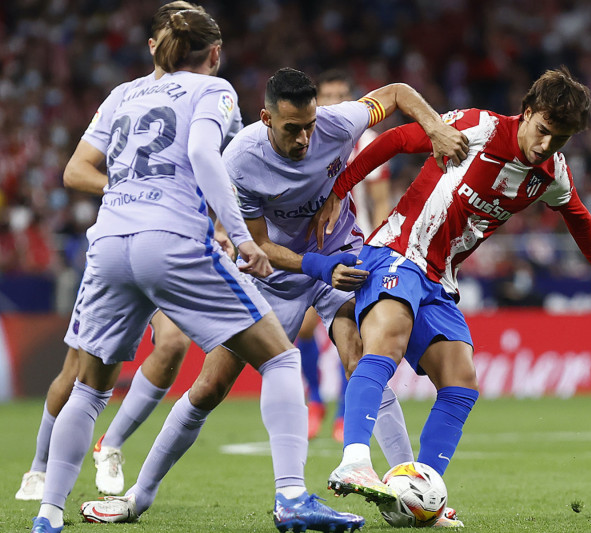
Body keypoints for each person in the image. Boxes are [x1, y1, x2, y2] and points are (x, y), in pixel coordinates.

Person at [77, 68, 469, 528]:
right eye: (291, 129)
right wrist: (318, 266)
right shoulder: (239, 160)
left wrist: (436, 125)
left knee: (361, 357)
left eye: (309, 126)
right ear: (265, 118)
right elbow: (258, 245)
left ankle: (412, 493)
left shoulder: (338, 122)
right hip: (276, 275)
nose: (305, 138)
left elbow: (398, 93)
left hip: (342, 258)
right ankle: (137, 498)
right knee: (210, 387)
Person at [30, 12, 364, 533]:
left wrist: (127, 192)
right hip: (171, 240)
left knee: (90, 389)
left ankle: (48, 514)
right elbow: (202, 154)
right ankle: (292, 497)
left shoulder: (121, 94)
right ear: (213, 52)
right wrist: (246, 239)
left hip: (110, 240)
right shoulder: (213, 91)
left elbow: (79, 166)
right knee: (279, 356)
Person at [315, 67, 591, 526]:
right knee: (387, 343)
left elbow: (577, 215)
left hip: (441, 278)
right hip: (399, 251)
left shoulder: (550, 171)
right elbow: (397, 140)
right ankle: (354, 459)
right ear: (528, 112)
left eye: (561, 139)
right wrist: (339, 188)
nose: (547, 146)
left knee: (461, 383)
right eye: (543, 132)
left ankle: (421, 496)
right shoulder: (479, 127)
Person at [15, 0, 242, 503]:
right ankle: (39, 466)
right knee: (79, 372)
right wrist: (131, 185)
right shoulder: (125, 95)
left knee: (173, 343)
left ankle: (110, 444)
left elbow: (216, 168)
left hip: (173, 239)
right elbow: (76, 171)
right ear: (154, 45)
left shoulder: (201, 95)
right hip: (123, 236)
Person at [299, 69, 394, 443]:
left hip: (356, 248)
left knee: (348, 332)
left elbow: (381, 201)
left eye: (343, 95)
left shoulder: (368, 140)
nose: (336, 102)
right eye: (328, 96)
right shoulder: (305, 138)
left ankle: (341, 413)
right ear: (316, 101)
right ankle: (316, 398)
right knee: (305, 329)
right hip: (310, 247)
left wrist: (381, 246)